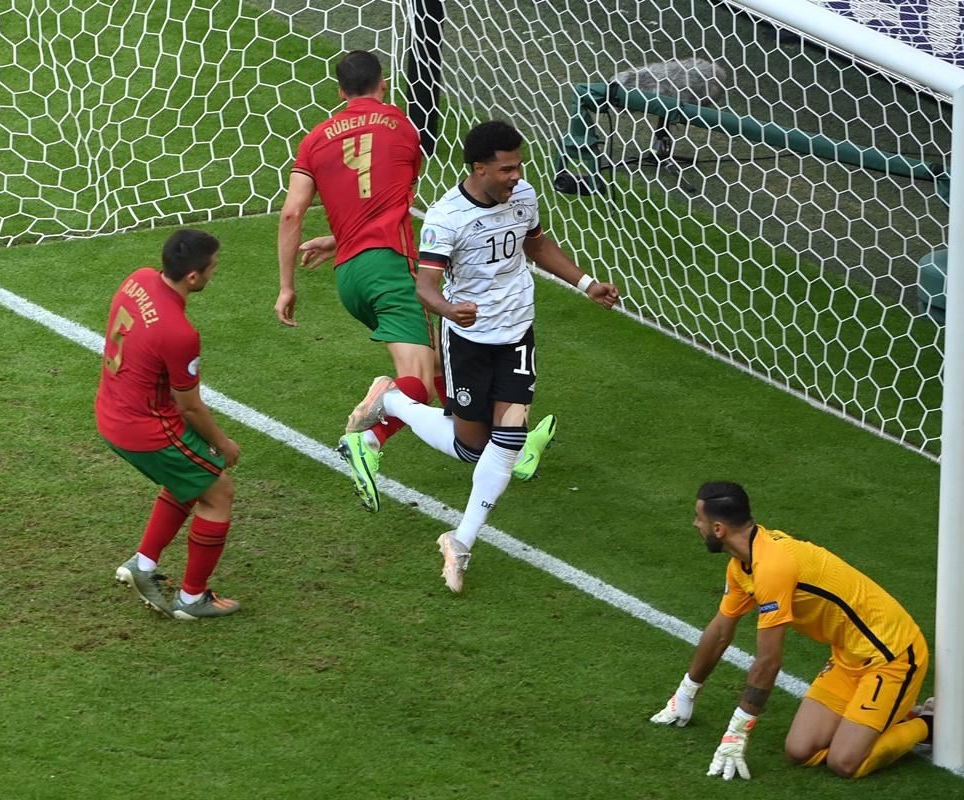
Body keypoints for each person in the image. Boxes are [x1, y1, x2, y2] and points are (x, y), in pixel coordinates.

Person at [340, 120, 620, 592]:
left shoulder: (523, 196)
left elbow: (535, 243)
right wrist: (451, 310)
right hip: (468, 342)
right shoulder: (447, 218)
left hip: (516, 335)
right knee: (472, 446)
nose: (516, 176)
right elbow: (425, 286)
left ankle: (461, 541)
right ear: (479, 167)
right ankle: (391, 401)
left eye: (519, 166)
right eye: (507, 168)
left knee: (507, 444)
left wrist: (586, 283)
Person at [276, 51, 555, 512]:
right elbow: (395, 202)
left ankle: (510, 446)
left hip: (350, 272)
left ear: (340, 93)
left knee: (448, 362)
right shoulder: (404, 128)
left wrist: (290, 283)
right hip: (391, 266)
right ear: (384, 85)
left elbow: (292, 212)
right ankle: (370, 439)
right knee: (417, 380)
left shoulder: (315, 139)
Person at [652, 481, 934, 779]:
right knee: (801, 751)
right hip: (847, 657)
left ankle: (928, 722)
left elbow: (769, 662)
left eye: (699, 519)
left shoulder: (773, 568)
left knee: (844, 762)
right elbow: (720, 632)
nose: (696, 524)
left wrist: (737, 731)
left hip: (893, 656)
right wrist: (685, 695)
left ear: (719, 528)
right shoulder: (742, 566)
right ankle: (884, 716)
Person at [96, 229, 241, 620]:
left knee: (190, 477)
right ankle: (193, 601)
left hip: (114, 408)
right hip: (144, 426)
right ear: (193, 277)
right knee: (218, 492)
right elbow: (190, 407)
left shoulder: (138, 279)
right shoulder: (180, 334)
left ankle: (142, 566)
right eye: (212, 267)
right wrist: (224, 444)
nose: (215, 272)